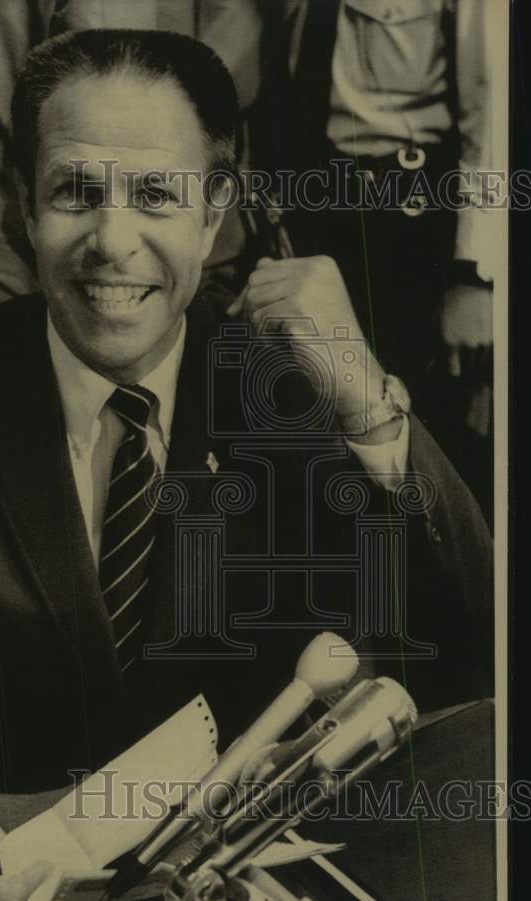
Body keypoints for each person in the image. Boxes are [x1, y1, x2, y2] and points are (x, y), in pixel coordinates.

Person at [0, 29, 491, 901]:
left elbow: (473, 654)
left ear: (215, 211)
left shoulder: (301, 401)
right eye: (74, 192)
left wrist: (369, 407)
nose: (110, 242)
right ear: (19, 207)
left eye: (156, 194)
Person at [249, 0, 496, 515]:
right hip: (313, 207)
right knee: (320, 418)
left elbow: (490, 118)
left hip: (410, 222)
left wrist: (472, 274)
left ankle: (426, 568)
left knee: (410, 427)